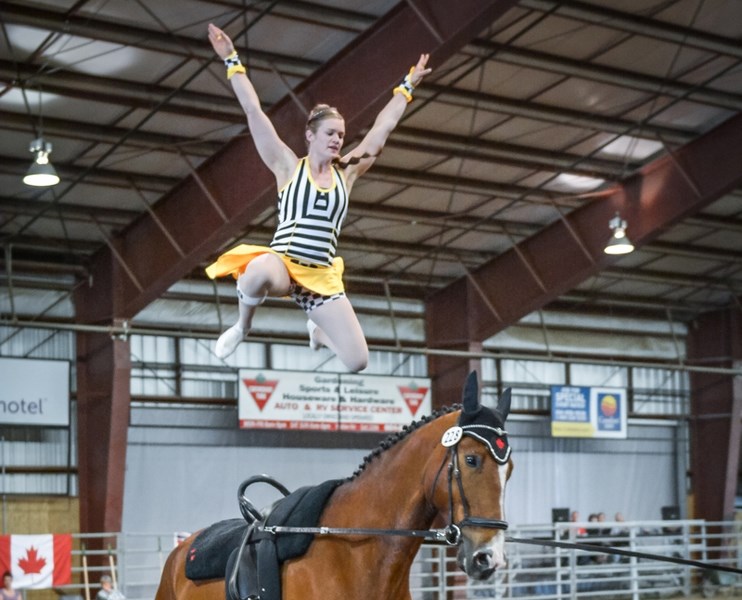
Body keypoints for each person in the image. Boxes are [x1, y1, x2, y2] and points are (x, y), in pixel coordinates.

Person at [205, 23, 432, 371]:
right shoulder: (286, 166)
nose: (338, 140)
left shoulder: (348, 172)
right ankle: (242, 326)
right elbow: (254, 111)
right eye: (330, 133)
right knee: (257, 268)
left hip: (322, 277)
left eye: (341, 134)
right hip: (285, 267)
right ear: (310, 136)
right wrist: (231, 59)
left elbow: (381, 130)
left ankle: (318, 328)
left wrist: (406, 87)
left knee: (357, 361)